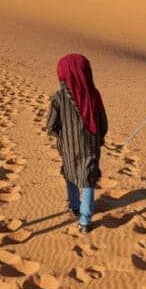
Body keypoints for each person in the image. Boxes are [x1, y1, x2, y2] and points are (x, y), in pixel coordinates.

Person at [46, 54, 108, 233]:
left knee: (70, 173)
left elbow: (50, 126)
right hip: (91, 146)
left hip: (68, 148)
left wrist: (63, 135)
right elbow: (102, 123)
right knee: (88, 179)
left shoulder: (58, 98)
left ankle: (74, 206)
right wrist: (100, 137)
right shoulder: (93, 95)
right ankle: (85, 221)